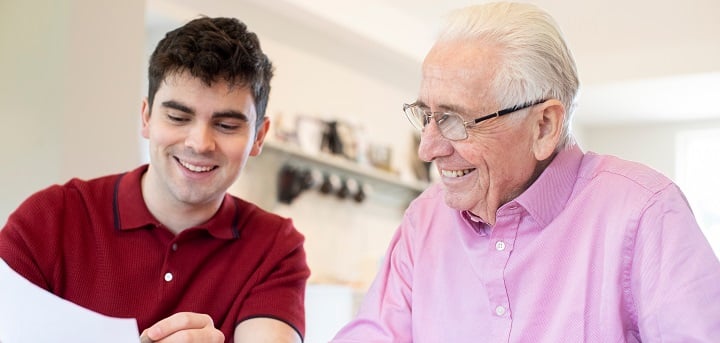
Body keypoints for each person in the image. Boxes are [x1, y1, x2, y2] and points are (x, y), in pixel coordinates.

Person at [331, 2, 720, 342]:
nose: (428, 148)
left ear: (544, 127)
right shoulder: (425, 219)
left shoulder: (644, 213)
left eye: (454, 120)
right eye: (426, 116)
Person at [0, 17, 310, 343]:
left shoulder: (275, 248)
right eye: (178, 117)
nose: (199, 143)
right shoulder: (50, 219)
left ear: (259, 137)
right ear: (146, 117)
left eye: (227, 126)